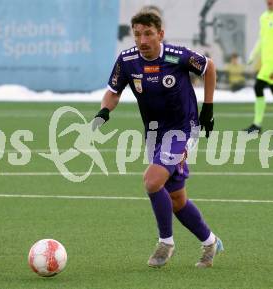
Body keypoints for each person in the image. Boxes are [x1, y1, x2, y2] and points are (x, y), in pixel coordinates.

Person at [92, 11, 223, 268]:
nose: (142, 40)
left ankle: (166, 242)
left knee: (152, 181)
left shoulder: (177, 56)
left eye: (148, 33)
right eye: (138, 34)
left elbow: (209, 67)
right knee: (177, 200)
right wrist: (104, 111)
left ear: (160, 34)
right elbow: (113, 91)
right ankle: (210, 242)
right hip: (155, 134)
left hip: (183, 130)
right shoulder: (127, 60)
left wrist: (208, 107)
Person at [245, 0, 273, 134]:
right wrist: (253, 55)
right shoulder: (263, 17)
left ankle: (257, 125)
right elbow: (261, 39)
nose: (270, 1)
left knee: (258, 86)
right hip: (266, 62)